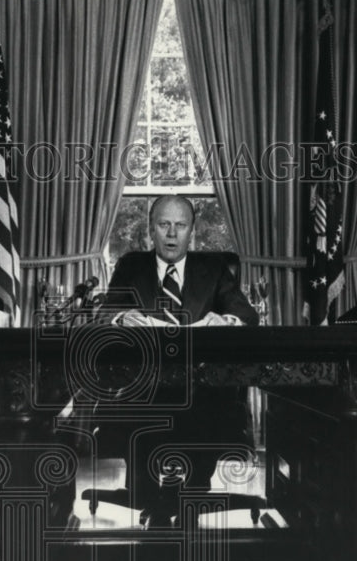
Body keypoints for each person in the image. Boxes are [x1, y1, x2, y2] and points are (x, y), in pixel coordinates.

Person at [100, 195, 258, 527]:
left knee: (205, 405)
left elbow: (245, 313)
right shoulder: (130, 266)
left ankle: (195, 489)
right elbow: (106, 311)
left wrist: (225, 321)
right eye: (163, 224)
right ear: (150, 231)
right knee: (144, 406)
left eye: (181, 225)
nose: (172, 234)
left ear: (192, 232)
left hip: (203, 388)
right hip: (145, 385)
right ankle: (150, 495)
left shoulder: (214, 268)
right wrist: (121, 317)